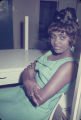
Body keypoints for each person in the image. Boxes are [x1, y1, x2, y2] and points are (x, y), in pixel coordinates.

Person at [0, 7, 80, 120]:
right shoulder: (51, 52)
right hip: (23, 94)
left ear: (72, 39)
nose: (56, 42)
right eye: (53, 36)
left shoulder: (69, 65)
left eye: (62, 37)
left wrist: (27, 80)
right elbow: (28, 69)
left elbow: (39, 99)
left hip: (33, 109)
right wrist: (30, 80)